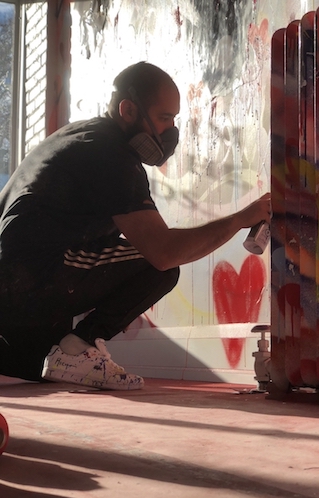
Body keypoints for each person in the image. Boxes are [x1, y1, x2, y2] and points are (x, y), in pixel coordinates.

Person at [0, 61, 271, 390]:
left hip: (15, 290)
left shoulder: (79, 136)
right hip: (35, 271)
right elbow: (163, 252)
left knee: (41, 363)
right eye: (164, 118)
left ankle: (52, 350)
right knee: (160, 268)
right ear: (128, 110)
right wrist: (242, 218)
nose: (170, 132)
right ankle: (78, 346)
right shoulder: (111, 156)